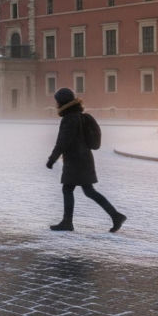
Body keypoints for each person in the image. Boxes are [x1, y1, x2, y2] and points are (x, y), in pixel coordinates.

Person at [46, 87, 126, 233]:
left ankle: (67, 222)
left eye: (57, 100)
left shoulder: (69, 119)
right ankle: (115, 216)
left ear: (62, 102)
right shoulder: (81, 116)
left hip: (75, 160)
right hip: (85, 159)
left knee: (68, 189)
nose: (56, 103)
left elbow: (62, 142)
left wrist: (52, 159)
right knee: (88, 191)